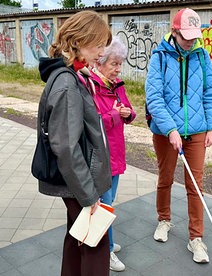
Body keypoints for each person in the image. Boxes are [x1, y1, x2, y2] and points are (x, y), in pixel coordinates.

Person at [35, 10, 112, 276]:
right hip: (78, 182)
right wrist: (89, 196)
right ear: (78, 41)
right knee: (95, 242)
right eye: (98, 44)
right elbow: (66, 147)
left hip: (77, 181)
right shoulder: (67, 83)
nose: (102, 52)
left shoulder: (71, 75)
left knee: (76, 235)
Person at [145, 8, 212, 264]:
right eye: (186, 36)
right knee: (165, 178)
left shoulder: (202, 55)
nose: (191, 41)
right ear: (175, 31)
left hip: (198, 130)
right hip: (167, 133)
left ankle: (196, 238)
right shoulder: (160, 57)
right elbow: (154, 99)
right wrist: (170, 129)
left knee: (195, 185)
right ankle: (164, 220)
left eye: (194, 36)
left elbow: (209, 94)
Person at [89, 36, 136, 272]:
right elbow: (92, 124)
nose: (118, 69)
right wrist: (116, 115)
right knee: (104, 206)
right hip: (101, 157)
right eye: (113, 64)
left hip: (116, 154)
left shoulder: (116, 85)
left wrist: (128, 113)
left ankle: (104, 243)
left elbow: (127, 109)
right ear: (99, 63)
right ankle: (104, 252)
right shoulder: (91, 86)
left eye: (120, 64)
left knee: (108, 204)